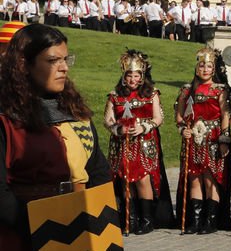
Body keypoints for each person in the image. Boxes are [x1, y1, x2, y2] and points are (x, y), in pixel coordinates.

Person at [0, 25, 112, 250]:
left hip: (83, 229)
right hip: (24, 237)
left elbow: (98, 171)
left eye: (66, 59)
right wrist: (42, 229)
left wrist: (101, 217)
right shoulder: (5, 119)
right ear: (24, 64)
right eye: (52, 61)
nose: (63, 68)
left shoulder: (76, 113)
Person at [103, 50, 171, 234]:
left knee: (142, 180)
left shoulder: (152, 94)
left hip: (144, 144)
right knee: (126, 181)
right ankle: (130, 219)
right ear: (124, 76)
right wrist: (117, 128)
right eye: (129, 75)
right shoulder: (115, 96)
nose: (133, 79)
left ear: (142, 76)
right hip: (122, 144)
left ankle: (147, 220)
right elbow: (107, 119)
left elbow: (159, 118)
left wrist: (143, 127)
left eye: (136, 75)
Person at [175, 47, 231, 234]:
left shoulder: (220, 90)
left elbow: (225, 115)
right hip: (193, 140)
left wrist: (224, 138)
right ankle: (196, 220)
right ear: (196, 68)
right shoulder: (186, 90)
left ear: (214, 69)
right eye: (201, 65)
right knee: (194, 179)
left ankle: (211, 220)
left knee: (210, 179)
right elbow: (179, 114)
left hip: (212, 138)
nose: (205, 69)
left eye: (209, 66)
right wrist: (183, 129)